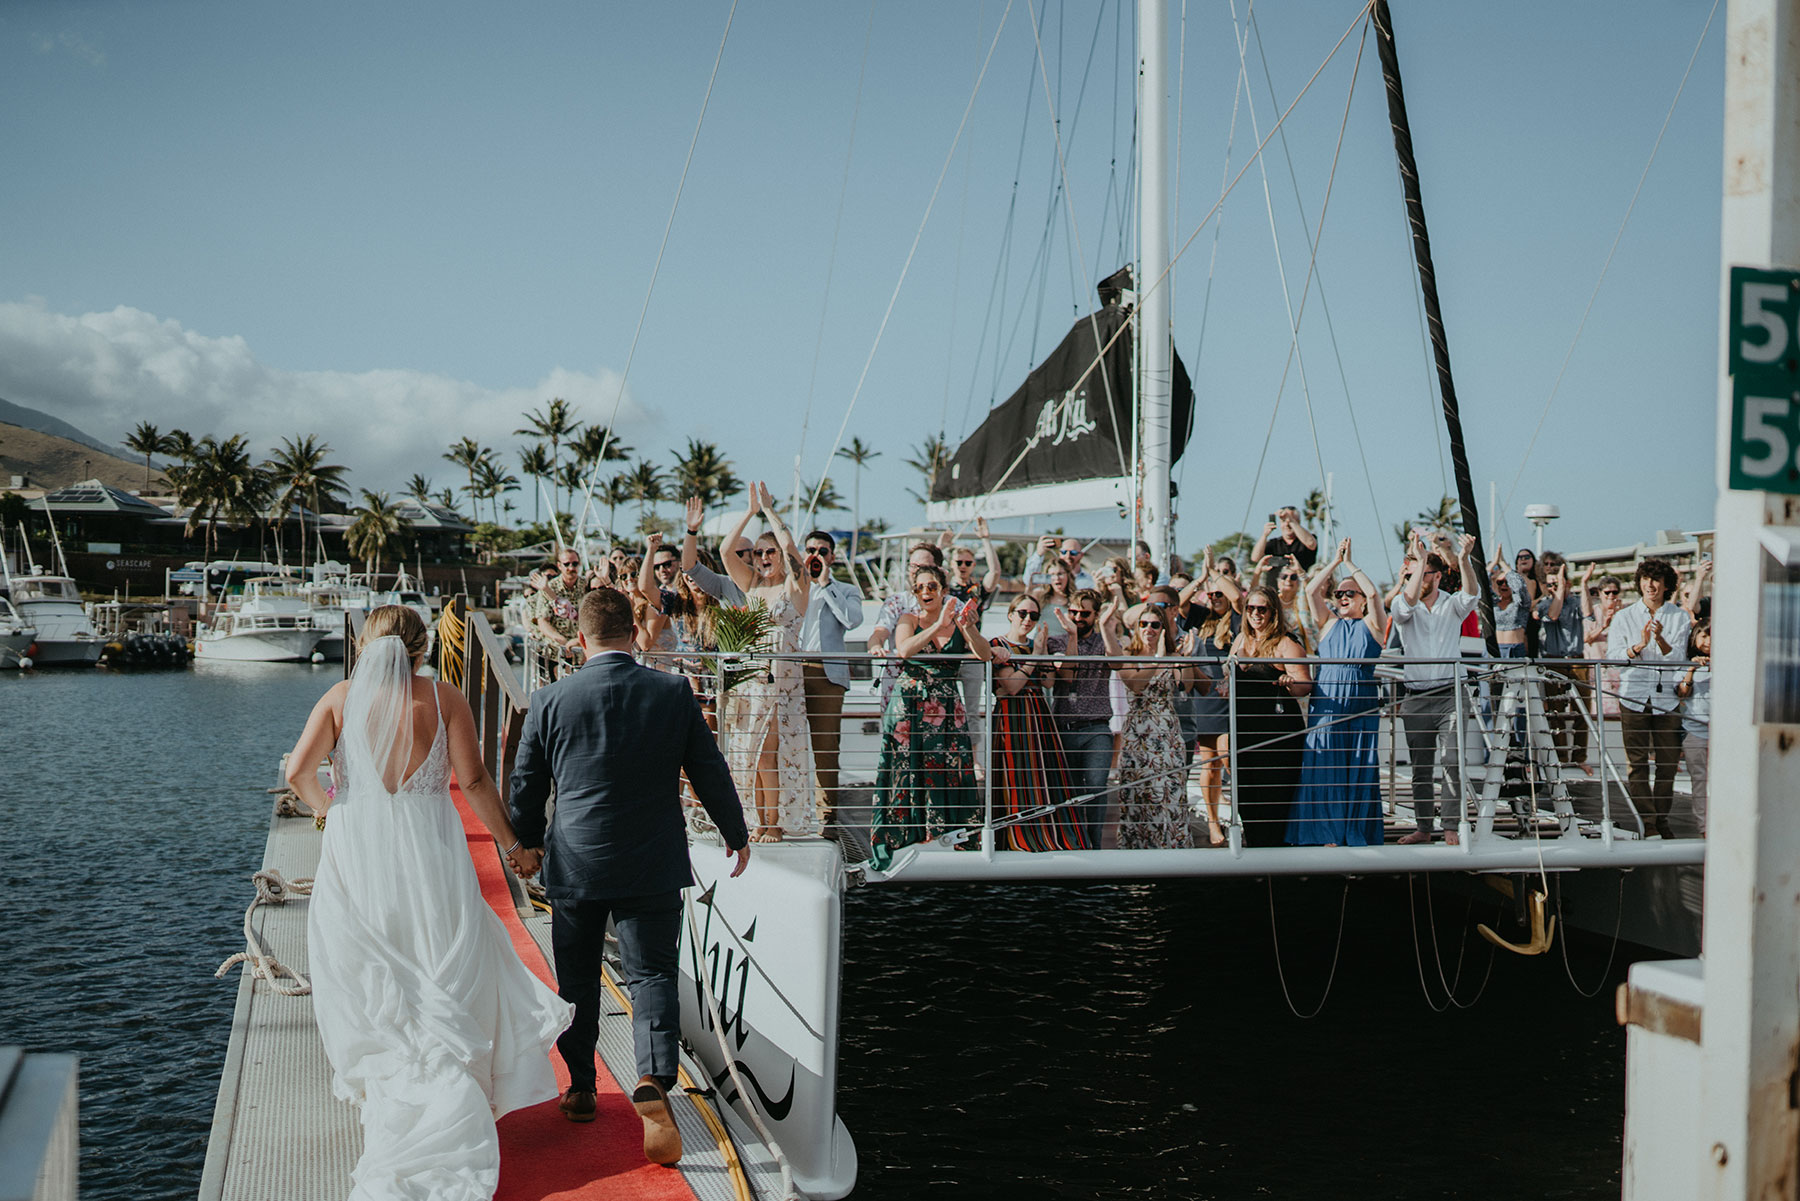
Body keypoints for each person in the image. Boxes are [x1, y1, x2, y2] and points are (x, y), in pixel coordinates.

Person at [283, 605, 573, 1196]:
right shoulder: (445, 699)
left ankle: (394, 1075)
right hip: (430, 849)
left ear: (367, 646)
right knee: (442, 953)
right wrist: (515, 846)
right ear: (423, 649)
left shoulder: (341, 697)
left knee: (376, 960)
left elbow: (297, 772)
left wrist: (326, 812)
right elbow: (472, 782)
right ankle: (453, 1079)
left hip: (358, 846)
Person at [507, 588, 750, 1167]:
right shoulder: (671, 691)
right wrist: (735, 834)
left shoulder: (550, 698)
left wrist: (527, 845)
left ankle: (583, 1088)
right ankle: (654, 1079)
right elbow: (709, 770)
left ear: (582, 638)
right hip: (651, 859)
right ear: (634, 632)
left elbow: (526, 782)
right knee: (652, 977)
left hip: (578, 860)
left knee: (578, 978)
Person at [869, 564, 991, 870]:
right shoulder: (908, 619)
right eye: (920, 588)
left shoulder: (960, 623)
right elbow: (904, 651)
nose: (926, 592)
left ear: (944, 590)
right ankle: (902, 838)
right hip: (910, 703)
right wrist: (937, 626)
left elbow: (984, 654)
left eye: (932, 586)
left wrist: (968, 626)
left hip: (947, 705)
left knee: (953, 769)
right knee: (904, 770)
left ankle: (952, 838)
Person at [720, 481, 815, 841]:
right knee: (750, 752)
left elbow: (792, 550)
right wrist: (748, 512)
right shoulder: (752, 585)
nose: (763, 559)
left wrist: (771, 512)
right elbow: (726, 550)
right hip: (751, 678)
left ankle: (772, 822)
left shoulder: (795, 587)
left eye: (769, 553)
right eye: (759, 553)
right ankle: (759, 820)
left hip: (781, 680)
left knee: (769, 751)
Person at [1288, 539, 1386, 846]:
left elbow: (1373, 593)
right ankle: (1325, 833)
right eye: (1340, 593)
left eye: (1349, 593)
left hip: (1360, 705)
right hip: (1328, 703)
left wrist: (1351, 566)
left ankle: (1353, 831)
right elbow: (1310, 591)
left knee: (1359, 765)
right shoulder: (1328, 623)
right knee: (1324, 767)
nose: (1343, 597)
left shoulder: (1373, 624)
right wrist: (1334, 561)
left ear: (1360, 599)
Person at [1391, 532, 1482, 844]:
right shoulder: (1403, 606)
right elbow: (1405, 605)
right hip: (1415, 697)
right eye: (1414, 570)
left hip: (1449, 695)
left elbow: (1472, 594)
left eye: (1424, 571)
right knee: (1421, 767)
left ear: (1438, 576)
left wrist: (1465, 558)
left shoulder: (1452, 605)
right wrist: (1417, 563)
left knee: (1452, 762)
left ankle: (1451, 825)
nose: (1416, 575)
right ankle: (1423, 828)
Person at [988, 593, 1089, 851]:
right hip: (1012, 716)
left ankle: (1045, 833)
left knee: (1042, 775)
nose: (1028, 619)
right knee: (1015, 774)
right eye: (1022, 613)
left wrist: (1042, 653)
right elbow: (1011, 686)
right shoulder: (998, 644)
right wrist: (1036, 655)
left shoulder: (1035, 645)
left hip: (1037, 715)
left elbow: (1048, 682)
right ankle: (1015, 836)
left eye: (1033, 615)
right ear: (1011, 614)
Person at [1105, 588, 1201, 849]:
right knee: (1138, 798)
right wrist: (1158, 659)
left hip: (1166, 730)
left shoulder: (1172, 657)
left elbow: (1186, 686)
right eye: (1143, 624)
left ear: (1163, 628)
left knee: (1169, 796)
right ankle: (1138, 857)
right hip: (1137, 733)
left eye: (1155, 625)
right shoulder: (1129, 657)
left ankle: (1173, 855)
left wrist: (1184, 659)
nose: (1148, 628)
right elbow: (1136, 685)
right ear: (1137, 628)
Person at [1607, 557, 1691, 840]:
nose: (1650, 584)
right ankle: (1649, 822)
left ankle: (1662, 818)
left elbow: (1679, 658)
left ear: (1666, 585)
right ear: (1639, 582)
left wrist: (1661, 641)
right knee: (1637, 764)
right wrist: (1638, 646)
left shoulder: (1679, 617)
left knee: (1667, 764)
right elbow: (1614, 659)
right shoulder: (1624, 616)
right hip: (1633, 698)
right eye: (1645, 578)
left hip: (1666, 698)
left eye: (1656, 579)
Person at [1230, 585, 1312, 846]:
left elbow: (1305, 685)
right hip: (1244, 731)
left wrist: (1289, 682)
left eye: (1261, 609)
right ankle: (1255, 856)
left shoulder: (1286, 642)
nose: (1255, 614)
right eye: (1250, 608)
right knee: (1246, 798)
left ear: (1273, 612)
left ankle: (1275, 861)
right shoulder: (1241, 639)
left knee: (1273, 799)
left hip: (1277, 735)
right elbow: (1229, 678)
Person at [798, 529, 865, 831]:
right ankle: (789, 813)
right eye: (811, 549)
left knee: (826, 748)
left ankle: (827, 817)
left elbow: (852, 620)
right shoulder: (791, 587)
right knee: (789, 745)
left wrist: (825, 584)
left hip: (827, 674)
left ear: (832, 557)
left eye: (823, 551)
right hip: (791, 670)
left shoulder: (846, 590)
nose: (816, 555)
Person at [1178, 549, 1240, 846]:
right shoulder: (1200, 617)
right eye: (1211, 594)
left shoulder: (1238, 619)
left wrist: (1216, 573)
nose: (1215, 597)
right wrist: (1202, 577)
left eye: (1219, 593)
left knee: (1230, 759)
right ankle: (1214, 825)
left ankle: (1240, 818)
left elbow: (1239, 598)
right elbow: (1176, 603)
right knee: (1210, 763)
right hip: (1204, 697)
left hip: (1229, 699)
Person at [1048, 589, 1114, 847]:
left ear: (1095, 615)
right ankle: (1075, 844)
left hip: (1097, 727)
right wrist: (1072, 636)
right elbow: (1067, 676)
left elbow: (1118, 663)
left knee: (1097, 787)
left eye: (1084, 613)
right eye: (1073, 612)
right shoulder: (1056, 642)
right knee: (1069, 792)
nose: (1077, 617)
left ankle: (1095, 845)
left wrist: (1108, 628)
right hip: (1064, 728)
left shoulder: (1104, 642)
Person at [946, 517, 1003, 761]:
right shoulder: (941, 589)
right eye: (958, 562)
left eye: (968, 562)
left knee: (971, 709)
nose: (963, 566)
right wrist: (941, 545)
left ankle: (974, 759)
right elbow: (924, 571)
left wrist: (986, 540)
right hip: (947, 653)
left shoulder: (976, 591)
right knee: (945, 708)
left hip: (971, 653)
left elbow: (995, 573)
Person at [1534, 553, 1590, 775]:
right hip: (1553, 660)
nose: (1553, 587)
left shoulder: (1577, 601)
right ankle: (1561, 757)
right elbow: (1553, 615)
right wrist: (1556, 591)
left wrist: (1584, 584)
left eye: (1557, 582)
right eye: (1550, 584)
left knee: (1582, 710)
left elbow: (1588, 613)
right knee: (1555, 712)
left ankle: (1579, 757)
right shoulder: (1544, 604)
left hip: (1577, 659)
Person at [1676, 618, 1711, 835]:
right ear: (1695, 637)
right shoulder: (1685, 663)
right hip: (1695, 732)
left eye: (1712, 636)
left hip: (1723, 735)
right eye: (1704, 635)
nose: (1708, 641)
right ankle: (1704, 827)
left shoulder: (1729, 661)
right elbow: (1681, 693)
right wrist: (1691, 670)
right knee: (1700, 782)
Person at [679, 495, 749, 606]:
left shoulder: (772, 584)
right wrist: (692, 530)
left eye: (738, 554)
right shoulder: (724, 585)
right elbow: (689, 567)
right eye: (727, 557)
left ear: (754, 555)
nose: (732, 560)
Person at [1252, 506, 1319, 570]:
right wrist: (1264, 535)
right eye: (1284, 521)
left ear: (1298, 522)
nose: (1287, 524)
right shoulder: (1273, 543)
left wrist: (1291, 521)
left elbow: (1311, 544)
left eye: (1289, 520)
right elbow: (1255, 558)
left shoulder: (1306, 541)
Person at [1022, 535, 1096, 590]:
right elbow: (1028, 581)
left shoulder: (1090, 581)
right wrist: (1039, 554)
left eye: (1073, 553)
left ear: (1081, 555)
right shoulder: (1050, 577)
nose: (1068, 556)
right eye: (1064, 552)